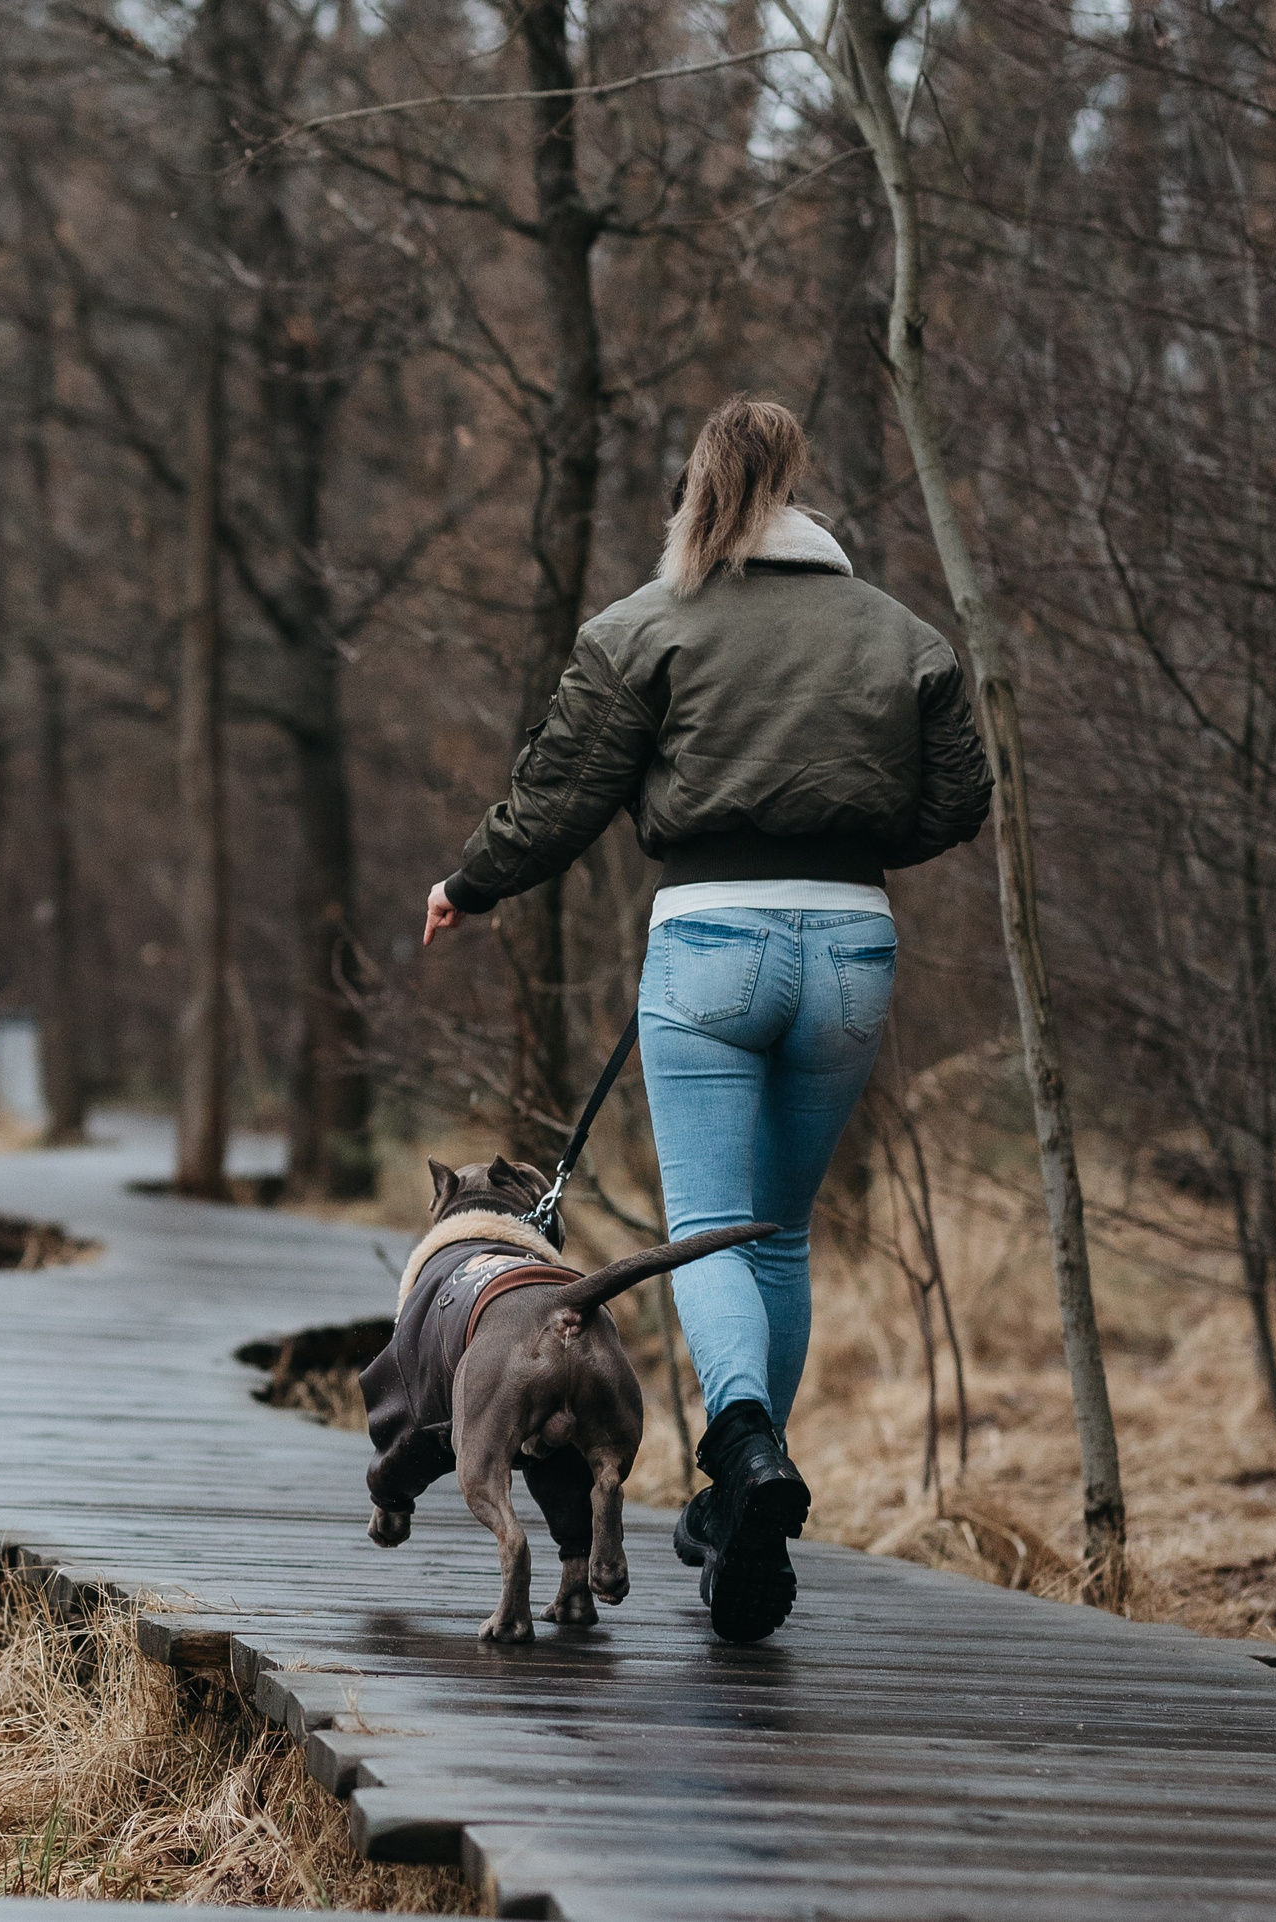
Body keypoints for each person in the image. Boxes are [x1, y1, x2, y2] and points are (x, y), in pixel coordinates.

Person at [420, 397, 993, 1642]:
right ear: (801, 489)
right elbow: (959, 797)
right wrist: (843, 844)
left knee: (709, 1229)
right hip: (850, 942)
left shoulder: (647, 624)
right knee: (773, 1234)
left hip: (708, 948)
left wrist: (470, 883)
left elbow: (561, 787)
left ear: (696, 491)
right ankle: (742, 1508)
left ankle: (738, 1444)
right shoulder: (901, 635)